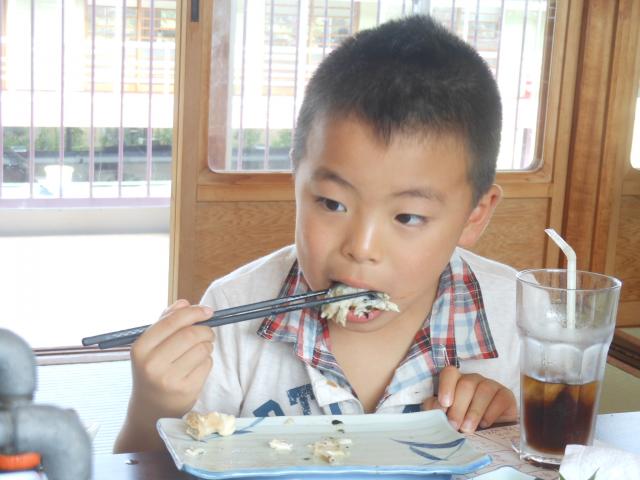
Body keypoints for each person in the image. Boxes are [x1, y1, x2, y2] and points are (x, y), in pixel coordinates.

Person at [114, 14, 519, 453]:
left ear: (474, 215)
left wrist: (508, 434)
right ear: (296, 177)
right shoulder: (230, 313)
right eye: (332, 204)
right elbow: (141, 465)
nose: (361, 248)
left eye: (407, 217)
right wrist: (152, 406)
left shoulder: (521, 320)